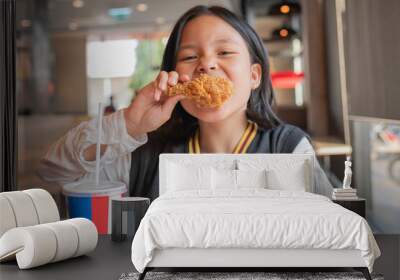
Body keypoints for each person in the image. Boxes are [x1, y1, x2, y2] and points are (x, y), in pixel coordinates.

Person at [38, 6, 333, 201]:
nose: (206, 64)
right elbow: (53, 173)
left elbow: (332, 226)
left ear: (255, 75)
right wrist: (128, 124)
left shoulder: (288, 148)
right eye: (190, 57)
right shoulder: (146, 156)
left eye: (225, 52)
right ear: (175, 77)